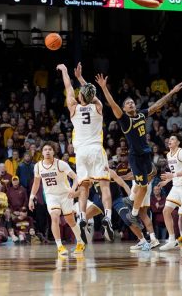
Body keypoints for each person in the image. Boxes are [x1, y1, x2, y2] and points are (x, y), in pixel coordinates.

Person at [95, 74, 182, 234]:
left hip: (146, 155)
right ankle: (133, 212)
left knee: (149, 179)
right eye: (127, 103)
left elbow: (157, 105)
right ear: (124, 109)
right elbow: (113, 104)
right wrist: (103, 87)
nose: (130, 103)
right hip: (135, 157)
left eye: (132, 102)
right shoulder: (124, 119)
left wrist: (172, 92)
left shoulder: (141, 114)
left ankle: (130, 203)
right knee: (142, 185)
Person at [57, 63, 114, 243]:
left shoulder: (73, 108)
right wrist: (82, 79)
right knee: (104, 186)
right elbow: (92, 93)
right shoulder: (98, 107)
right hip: (96, 149)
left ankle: (81, 216)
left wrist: (65, 71)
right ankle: (108, 217)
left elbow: (68, 87)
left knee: (84, 188)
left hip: (81, 153)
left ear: (80, 96)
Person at [29, 141, 85, 257]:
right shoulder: (38, 166)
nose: (47, 151)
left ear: (54, 151)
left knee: (70, 220)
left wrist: (73, 189)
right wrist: (31, 198)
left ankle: (80, 242)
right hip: (51, 196)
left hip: (66, 195)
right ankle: (59, 246)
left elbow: (75, 178)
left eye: (50, 149)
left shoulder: (61, 164)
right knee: (54, 216)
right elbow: (36, 183)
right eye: (45, 149)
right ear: (42, 152)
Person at [158, 134, 182, 250]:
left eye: (173, 139)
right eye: (169, 139)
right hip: (176, 186)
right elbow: (174, 172)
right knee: (166, 211)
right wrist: (167, 181)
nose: (170, 141)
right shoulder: (168, 155)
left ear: (178, 142)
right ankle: (171, 240)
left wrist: (172, 175)